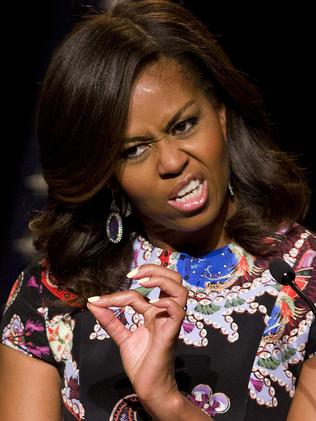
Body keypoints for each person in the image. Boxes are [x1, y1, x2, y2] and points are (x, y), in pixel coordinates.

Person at [0, 0, 315, 419]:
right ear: (106, 172)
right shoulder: (53, 294)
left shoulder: (304, 282)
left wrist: (166, 401)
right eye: (133, 150)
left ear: (221, 114)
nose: (171, 162)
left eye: (184, 125)